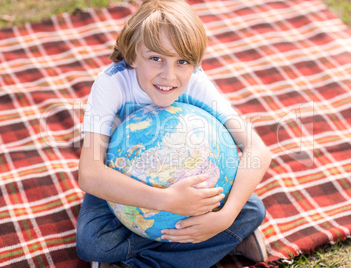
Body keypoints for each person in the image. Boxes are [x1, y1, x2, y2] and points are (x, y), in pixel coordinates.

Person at [76, 0, 272, 267]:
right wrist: (166, 200)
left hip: (188, 178)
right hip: (124, 182)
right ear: (133, 56)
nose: (169, 75)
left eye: (182, 61)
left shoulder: (196, 82)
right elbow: (90, 174)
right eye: (156, 58)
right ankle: (224, 241)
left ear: (195, 64)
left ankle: (142, 257)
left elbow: (257, 149)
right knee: (93, 242)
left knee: (251, 210)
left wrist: (225, 218)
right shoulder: (112, 83)